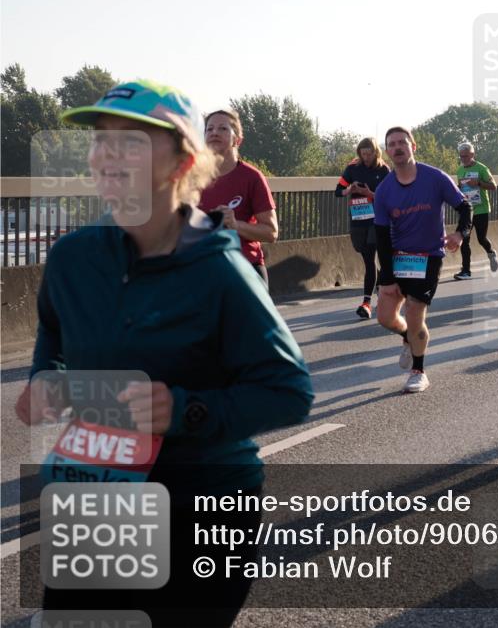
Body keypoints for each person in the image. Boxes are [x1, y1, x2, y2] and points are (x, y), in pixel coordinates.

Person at [21, 79, 313, 627]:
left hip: (205, 502)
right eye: (101, 139)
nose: (107, 154)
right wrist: (47, 380)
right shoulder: (71, 259)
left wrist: (184, 410)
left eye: (130, 141)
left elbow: (288, 392)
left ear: (183, 163)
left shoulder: (221, 272)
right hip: (103, 498)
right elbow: (53, 340)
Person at [373, 126, 472, 392]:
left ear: (412, 146)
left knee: (415, 313)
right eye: (391, 144)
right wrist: (387, 277)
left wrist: (460, 234)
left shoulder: (435, 178)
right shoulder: (383, 191)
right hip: (396, 258)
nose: (397, 148)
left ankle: (418, 370)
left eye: (402, 142)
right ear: (387, 151)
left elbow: (465, 207)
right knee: (384, 317)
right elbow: (381, 237)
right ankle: (408, 337)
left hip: (427, 257)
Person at [199, 108, 278, 288]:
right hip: (202, 270)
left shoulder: (252, 177)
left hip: (245, 270)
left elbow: (271, 232)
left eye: (223, 129)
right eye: (209, 129)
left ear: (238, 140)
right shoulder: (191, 177)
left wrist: (235, 225)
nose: (214, 133)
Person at [336, 137, 390, 318]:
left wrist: (369, 193)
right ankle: (381, 281)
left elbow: (389, 198)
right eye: (363, 153)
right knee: (366, 255)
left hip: (377, 220)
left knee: (370, 261)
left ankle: (366, 303)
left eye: (369, 153)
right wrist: (349, 190)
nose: (366, 157)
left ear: (376, 152)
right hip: (358, 219)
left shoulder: (383, 170)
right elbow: (338, 191)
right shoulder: (352, 168)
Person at [454, 142, 498, 279]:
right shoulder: (459, 170)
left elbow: (494, 186)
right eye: (461, 156)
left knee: (481, 239)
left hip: (481, 209)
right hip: (467, 210)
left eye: (466, 156)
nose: (463, 159)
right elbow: (460, 187)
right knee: (464, 239)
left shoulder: (482, 168)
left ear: (473, 155)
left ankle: (491, 253)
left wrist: (479, 183)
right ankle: (466, 271)